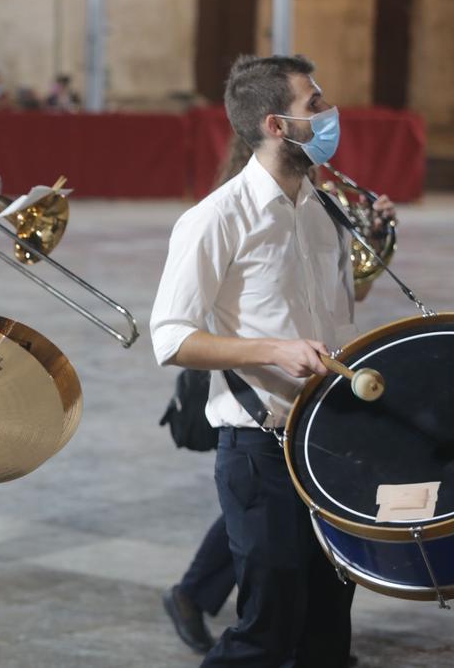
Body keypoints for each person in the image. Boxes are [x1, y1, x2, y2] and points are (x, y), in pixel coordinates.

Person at [150, 54, 366, 667]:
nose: (330, 114)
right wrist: (274, 349)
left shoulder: (325, 212)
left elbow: (330, 314)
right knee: (266, 630)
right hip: (259, 448)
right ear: (276, 125)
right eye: (315, 104)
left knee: (328, 629)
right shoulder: (214, 218)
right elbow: (171, 337)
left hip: (327, 443)